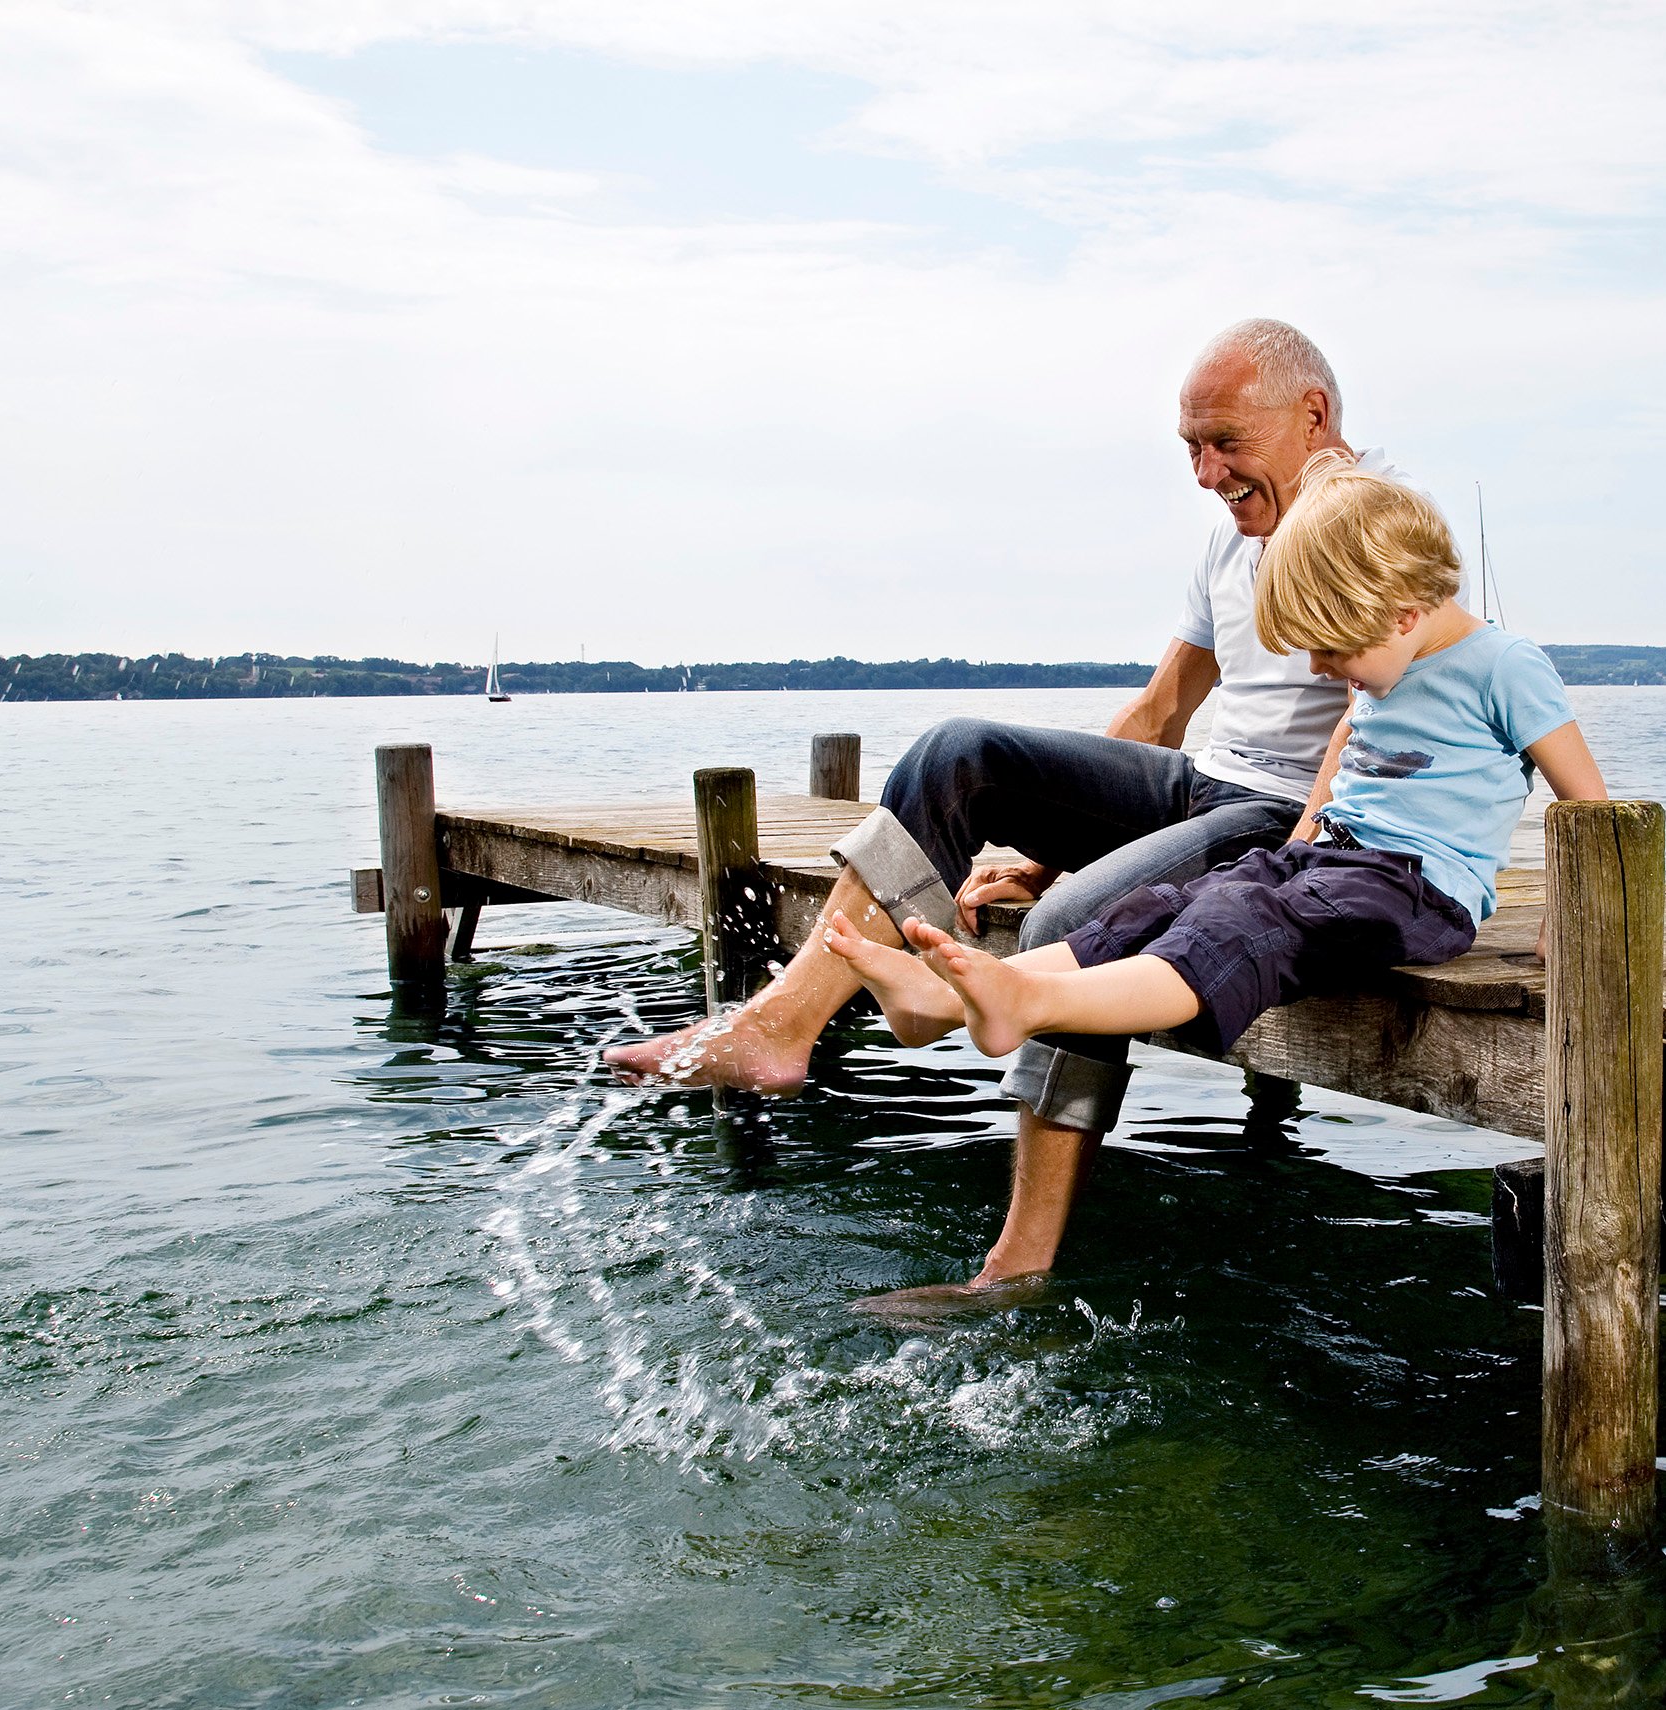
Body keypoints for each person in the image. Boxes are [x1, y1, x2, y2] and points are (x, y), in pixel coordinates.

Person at [605, 320, 1408, 1292]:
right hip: (1201, 785)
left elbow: (1377, 715)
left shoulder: (1379, 524)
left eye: (1224, 443)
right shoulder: (1229, 547)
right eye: (1189, 447)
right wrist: (1054, 838)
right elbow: (1161, 710)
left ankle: (1016, 1262)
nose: (1204, 472)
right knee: (959, 753)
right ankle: (787, 1021)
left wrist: (1305, 851)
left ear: (1313, 414)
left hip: (1284, 818)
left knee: (1077, 921)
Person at [822, 460, 1609, 1179]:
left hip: (1415, 891)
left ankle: (1027, 1001)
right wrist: (1300, 843)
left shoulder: (1506, 667)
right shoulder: (1387, 665)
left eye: (1332, 652)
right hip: (1333, 861)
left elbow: (1593, 809)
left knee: (1245, 925)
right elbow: (1342, 761)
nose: (1321, 669)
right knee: (1171, 903)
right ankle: (946, 999)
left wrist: (1577, 922)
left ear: (1404, 614)